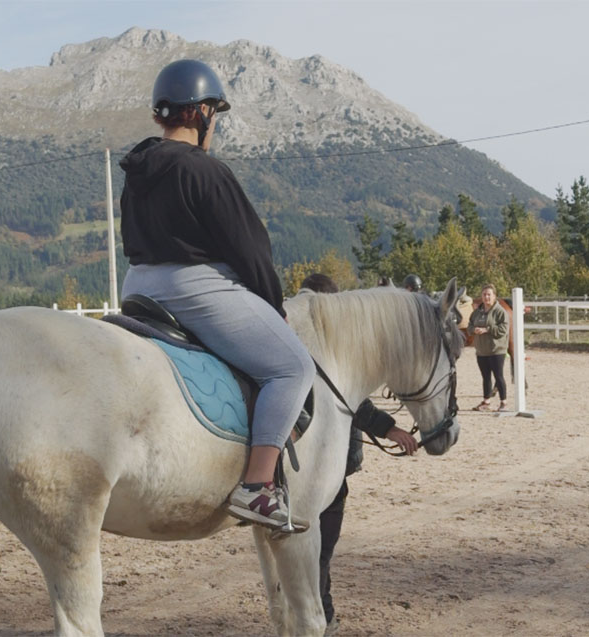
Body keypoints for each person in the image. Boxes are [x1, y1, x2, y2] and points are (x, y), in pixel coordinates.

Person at [119, 59, 316, 532]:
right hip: (193, 287)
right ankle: (258, 488)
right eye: (214, 113)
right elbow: (250, 248)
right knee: (293, 367)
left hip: (137, 284)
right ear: (198, 113)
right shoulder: (203, 169)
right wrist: (273, 305)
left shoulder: (136, 169)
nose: (215, 124)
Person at [298, 274, 419, 633]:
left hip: (332, 474)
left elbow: (357, 404)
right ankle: (323, 618)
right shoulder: (319, 355)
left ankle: (323, 615)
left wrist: (389, 429)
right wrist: (389, 428)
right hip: (319, 476)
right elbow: (354, 402)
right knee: (317, 553)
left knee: (320, 554)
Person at [468, 283, 510, 411]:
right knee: (485, 377)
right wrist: (474, 330)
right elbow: (469, 326)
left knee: (499, 376)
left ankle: (503, 402)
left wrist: (487, 329)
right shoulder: (476, 313)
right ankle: (486, 401)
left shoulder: (500, 312)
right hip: (481, 351)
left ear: (494, 296)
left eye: (489, 295)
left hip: (496, 350)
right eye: (484, 294)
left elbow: (503, 329)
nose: (486, 297)